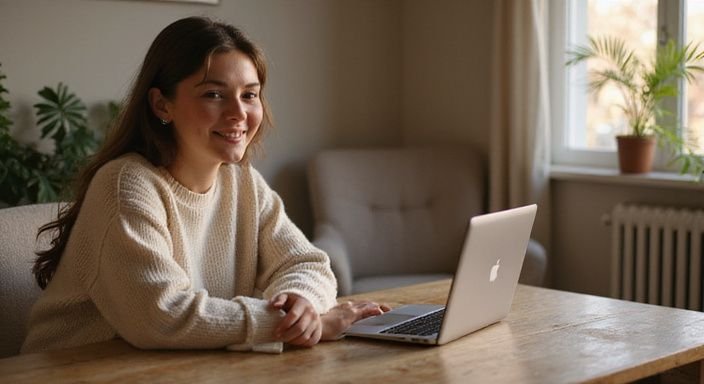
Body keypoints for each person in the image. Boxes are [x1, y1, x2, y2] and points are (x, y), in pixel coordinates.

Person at [22, 16, 387, 354]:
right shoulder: (126, 186)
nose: (239, 114)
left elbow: (309, 264)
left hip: (179, 367)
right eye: (214, 94)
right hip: (71, 369)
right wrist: (292, 325)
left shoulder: (243, 182)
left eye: (250, 94)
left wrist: (299, 304)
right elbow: (160, 316)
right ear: (162, 105)